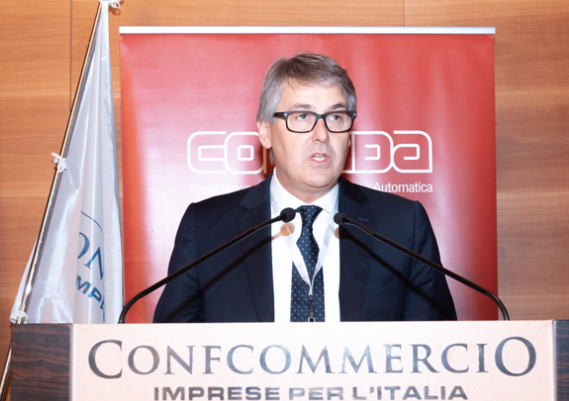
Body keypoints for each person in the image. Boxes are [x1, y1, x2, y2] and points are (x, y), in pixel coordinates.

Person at [153, 52, 456, 323]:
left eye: (336, 117)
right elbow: (169, 351)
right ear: (265, 132)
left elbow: (440, 349)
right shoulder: (207, 229)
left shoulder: (402, 226)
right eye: (302, 116)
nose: (322, 134)